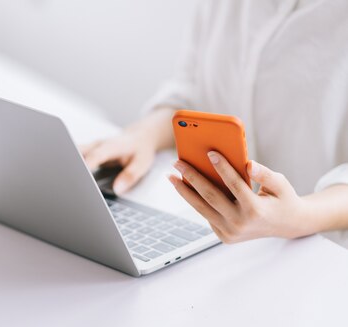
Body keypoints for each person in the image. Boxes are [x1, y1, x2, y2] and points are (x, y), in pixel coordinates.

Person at [80, 0, 348, 247]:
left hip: (319, 253)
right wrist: (143, 135)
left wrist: (300, 216)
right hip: (218, 243)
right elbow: (194, 88)